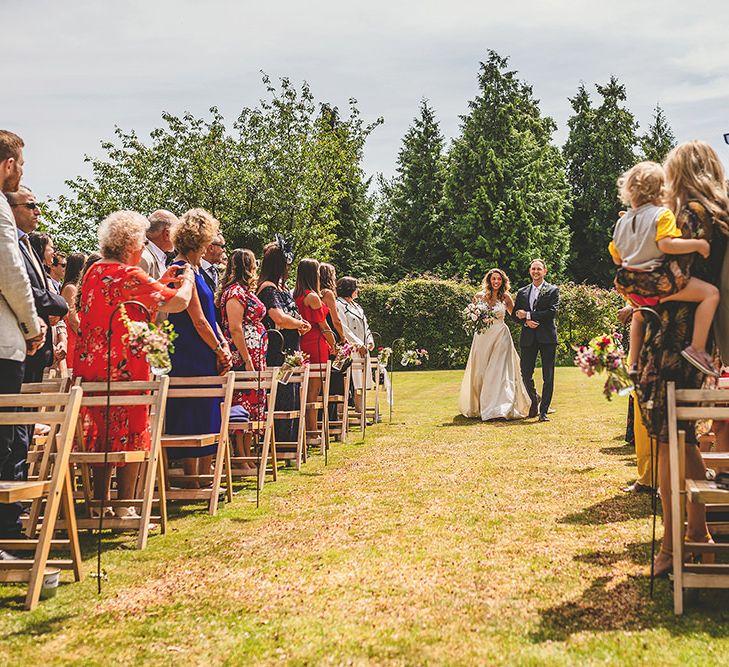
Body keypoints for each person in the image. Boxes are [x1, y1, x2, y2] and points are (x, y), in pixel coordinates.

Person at [634, 141, 729, 577]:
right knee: (686, 436)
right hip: (700, 342)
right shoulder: (720, 219)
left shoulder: (690, 214)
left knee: (669, 440)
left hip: (672, 341)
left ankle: (673, 548)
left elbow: (671, 279)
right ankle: (699, 532)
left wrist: (632, 283)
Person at [74, 210, 194, 517]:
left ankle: (100, 504)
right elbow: (177, 303)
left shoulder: (93, 272)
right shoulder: (129, 275)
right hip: (126, 365)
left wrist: (159, 282)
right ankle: (125, 504)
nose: (142, 247)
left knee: (101, 433)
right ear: (130, 243)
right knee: (132, 430)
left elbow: (125, 302)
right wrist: (187, 280)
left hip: (92, 365)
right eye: (140, 241)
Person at [610, 160, 719, 377]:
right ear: (662, 189)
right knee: (710, 294)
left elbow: (617, 257)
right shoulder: (662, 215)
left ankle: (633, 364)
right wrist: (699, 245)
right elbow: (666, 244)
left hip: (631, 287)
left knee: (639, 318)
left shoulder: (621, 222)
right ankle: (697, 349)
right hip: (657, 285)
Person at [0, 129, 46, 549]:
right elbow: (13, 277)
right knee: (8, 437)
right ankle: (7, 529)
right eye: (21, 164)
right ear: (8, 164)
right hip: (4, 345)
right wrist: (33, 327)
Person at [164, 209, 232, 486]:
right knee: (192, 410)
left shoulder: (198, 272)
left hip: (206, 348)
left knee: (208, 409)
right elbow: (198, 320)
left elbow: (211, 317)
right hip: (190, 351)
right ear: (197, 241)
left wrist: (223, 344)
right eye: (207, 242)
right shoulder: (180, 271)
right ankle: (191, 476)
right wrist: (218, 348)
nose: (209, 247)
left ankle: (206, 473)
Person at [4, 185, 68, 384]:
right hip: (19, 344)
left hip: (37, 349)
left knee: (31, 413)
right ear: (10, 208)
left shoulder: (25, 243)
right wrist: (57, 303)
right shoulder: (8, 243)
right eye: (31, 206)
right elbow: (16, 286)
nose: (38, 211)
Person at [256, 239, 310, 444]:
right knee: (281, 395)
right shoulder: (267, 289)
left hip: (290, 348)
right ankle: (280, 442)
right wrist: (298, 323)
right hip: (277, 351)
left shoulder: (282, 289)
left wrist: (299, 324)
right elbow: (278, 317)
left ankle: (290, 441)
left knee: (292, 394)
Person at [459, 268, 531, 421]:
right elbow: (472, 315)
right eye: (494, 279)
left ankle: (498, 407)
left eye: (499, 279)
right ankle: (479, 405)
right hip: (482, 337)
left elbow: (515, 316)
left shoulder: (506, 297)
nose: (496, 281)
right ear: (489, 280)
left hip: (501, 336)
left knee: (497, 371)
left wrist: (528, 321)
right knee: (480, 371)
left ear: (503, 281)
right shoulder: (479, 296)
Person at [218, 248, 268, 470]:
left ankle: (247, 455)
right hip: (243, 356)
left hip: (255, 355)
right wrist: (247, 359)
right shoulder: (234, 293)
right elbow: (236, 328)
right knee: (243, 404)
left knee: (253, 404)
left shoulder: (245, 291)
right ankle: (240, 457)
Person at [294, 259, 336, 445]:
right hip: (316, 343)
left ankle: (309, 429)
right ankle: (312, 432)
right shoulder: (313, 297)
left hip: (303, 343)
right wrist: (334, 344)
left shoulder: (295, 295)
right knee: (314, 391)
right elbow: (324, 325)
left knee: (306, 389)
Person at [513, 259, 560, 422]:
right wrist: (525, 321)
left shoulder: (552, 290)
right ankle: (534, 399)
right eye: (533, 269)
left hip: (547, 337)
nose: (536, 271)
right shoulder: (522, 291)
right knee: (525, 373)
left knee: (548, 375)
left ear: (545, 271)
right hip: (528, 337)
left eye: (539, 269)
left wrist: (528, 315)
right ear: (529, 271)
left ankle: (544, 411)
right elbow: (515, 314)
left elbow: (551, 312)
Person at [28, 231, 67, 371]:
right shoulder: (31, 275)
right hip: (34, 345)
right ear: (41, 248)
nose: (54, 253)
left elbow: (58, 318)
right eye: (52, 248)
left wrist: (63, 341)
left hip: (49, 347)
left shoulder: (46, 279)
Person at [335, 276, 375, 413]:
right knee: (350, 381)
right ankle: (341, 413)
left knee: (361, 382)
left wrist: (369, 341)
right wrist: (358, 344)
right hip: (351, 348)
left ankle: (361, 410)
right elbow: (344, 329)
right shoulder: (339, 305)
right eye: (355, 287)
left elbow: (365, 326)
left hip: (363, 348)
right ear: (349, 289)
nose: (357, 290)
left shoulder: (356, 306)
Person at [59, 252, 86, 375]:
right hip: (73, 335)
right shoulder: (71, 288)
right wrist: (85, 336)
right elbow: (73, 319)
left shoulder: (76, 287)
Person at [139, 209, 177, 281]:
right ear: (167, 234)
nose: (178, 238)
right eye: (176, 233)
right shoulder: (144, 258)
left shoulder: (159, 257)